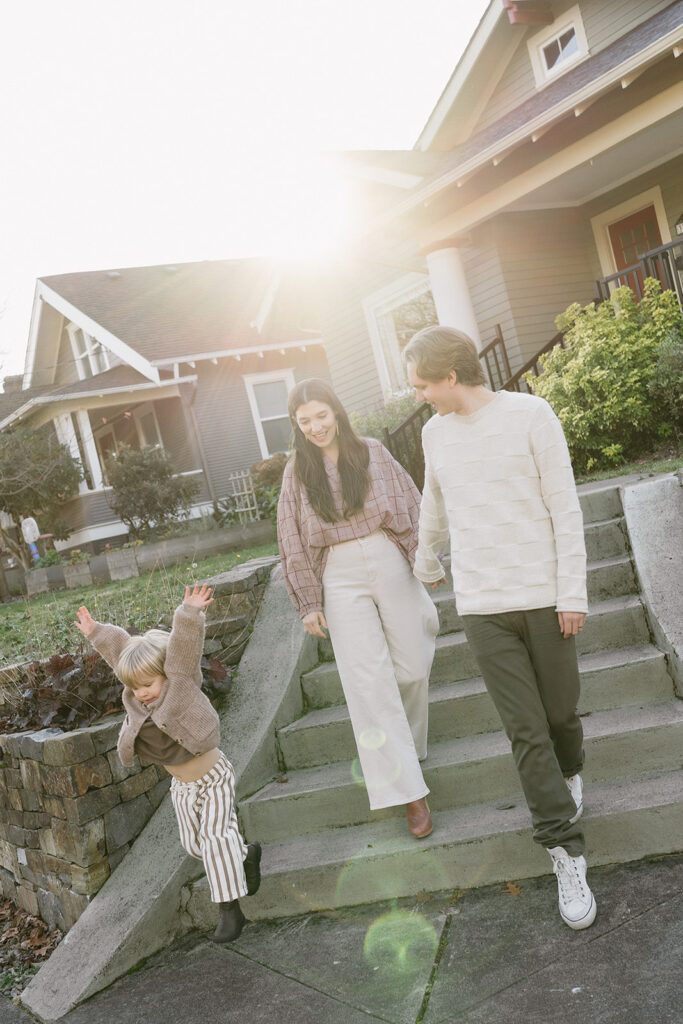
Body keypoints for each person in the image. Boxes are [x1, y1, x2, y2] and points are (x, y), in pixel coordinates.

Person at [404, 326, 596, 931]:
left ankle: (570, 775)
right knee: (526, 729)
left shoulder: (532, 415)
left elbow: (565, 506)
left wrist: (572, 593)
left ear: (451, 376)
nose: (419, 396)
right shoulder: (434, 434)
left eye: (422, 384)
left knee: (561, 716)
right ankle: (565, 850)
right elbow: (433, 501)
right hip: (484, 605)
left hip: (544, 596)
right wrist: (424, 556)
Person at [277, 378, 439, 838]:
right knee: (369, 681)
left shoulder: (370, 451)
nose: (315, 427)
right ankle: (411, 793)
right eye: (303, 421)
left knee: (411, 668)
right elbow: (290, 537)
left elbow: (411, 502)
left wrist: (424, 559)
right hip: (338, 572)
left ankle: (407, 747)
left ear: (336, 411)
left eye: (320, 416)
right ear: (296, 425)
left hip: (386, 554)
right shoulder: (296, 471)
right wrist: (308, 601)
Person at [74, 584, 261, 943]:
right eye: (135, 686)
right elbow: (120, 652)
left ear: (166, 672)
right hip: (182, 786)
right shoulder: (135, 694)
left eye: (148, 683)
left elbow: (185, 647)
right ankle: (246, 854)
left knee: (215, 838)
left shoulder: (180, 681)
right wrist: (96, 631)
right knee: (196, 846)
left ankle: (230, 911)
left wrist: (189, 613)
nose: (142, 692)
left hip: (214, 777)